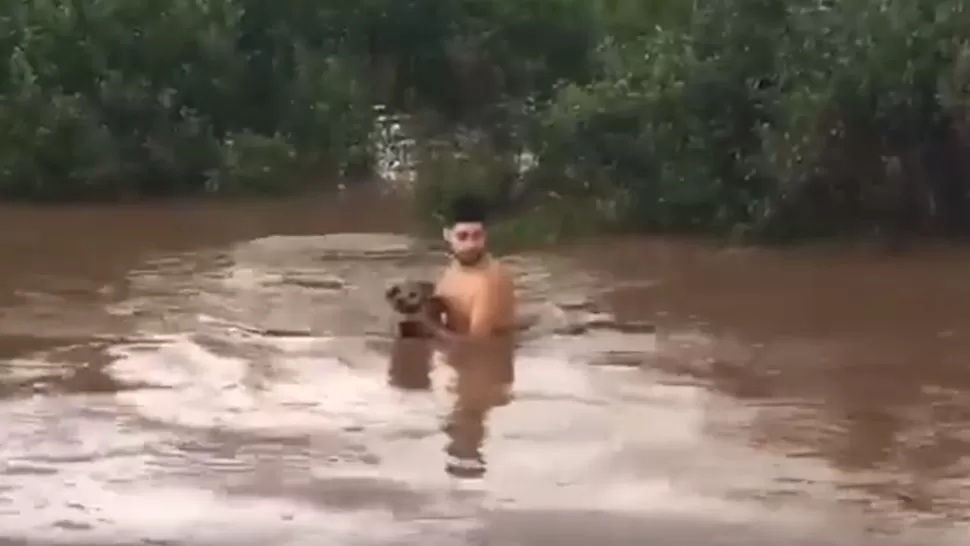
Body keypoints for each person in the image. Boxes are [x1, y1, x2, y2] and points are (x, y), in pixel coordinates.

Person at [405, 193, 517, 477]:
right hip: (461, 349)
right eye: (463, 236)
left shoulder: (489, 280)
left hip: (488, 361)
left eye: (477, 236)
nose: (470, 244)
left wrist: (426, 325)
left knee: (470, 409)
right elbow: (444, 314)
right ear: (448, 237)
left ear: (486, 236)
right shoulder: (453, 270)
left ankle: (467, 444)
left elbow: (475, 345)